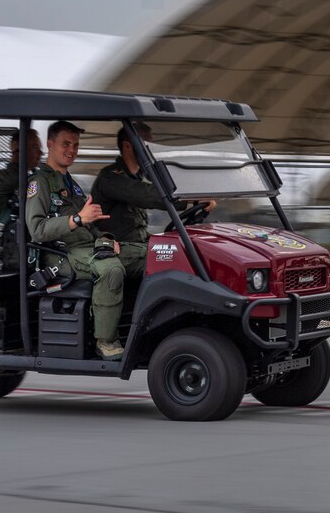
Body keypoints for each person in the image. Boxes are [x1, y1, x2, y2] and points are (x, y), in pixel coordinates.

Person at [24, 120, 142, 360]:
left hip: (87, 247)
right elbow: (36, 229)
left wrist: (106, 239)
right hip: (60, 255)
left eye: (76, 145)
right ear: (50, 144)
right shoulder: (40, 183)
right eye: (66, 144)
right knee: (110, 269)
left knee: (152, 254)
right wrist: (77, 219)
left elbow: (88, 226)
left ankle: (141, 328)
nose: (71, 150)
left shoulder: (71, 184)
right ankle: (105, 341)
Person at [92, 124, 216, 268]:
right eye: (145, 146)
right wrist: (190, 199)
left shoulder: (138, 177)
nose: (150, 152)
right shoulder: (111, 178)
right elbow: (146, 194)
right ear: (127, 146)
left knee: (189, 249)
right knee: (173, 263)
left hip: (138, 246)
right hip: (118, 249)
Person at [0, 129, 42, 271]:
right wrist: (19, 156)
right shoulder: (0, 179)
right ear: (17, 148)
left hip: (29, 249)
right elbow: (12, 179)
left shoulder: (33, 177)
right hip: (9, 255)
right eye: (35, 147)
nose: (40, 153)